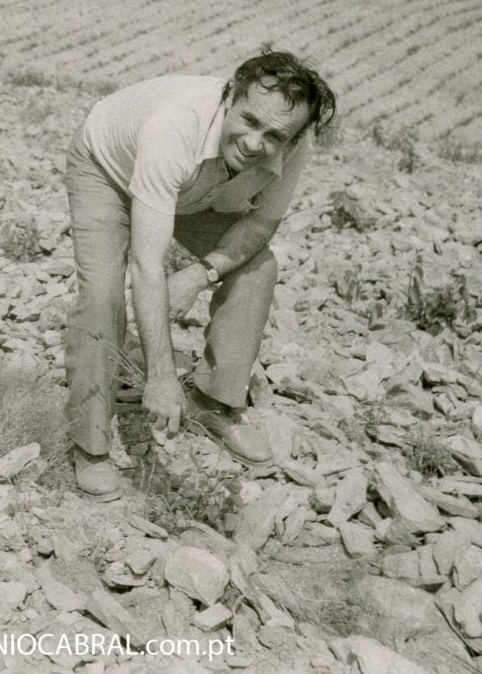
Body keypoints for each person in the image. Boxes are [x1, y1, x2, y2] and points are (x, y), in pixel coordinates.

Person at [64, 48, 336, 498]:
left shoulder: (293, 144)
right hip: (108, 169)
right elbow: (146, 264)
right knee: (102, 296)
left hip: (197, 187)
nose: (255, 143)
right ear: (229, 97)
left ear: (295, 136)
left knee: (256, 268)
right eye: (248, 121)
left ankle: (214, 400)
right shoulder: (174, 124)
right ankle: (90, 444)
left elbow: (262, 225)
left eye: (274, 136)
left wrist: (198, 275)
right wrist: (161, 378)